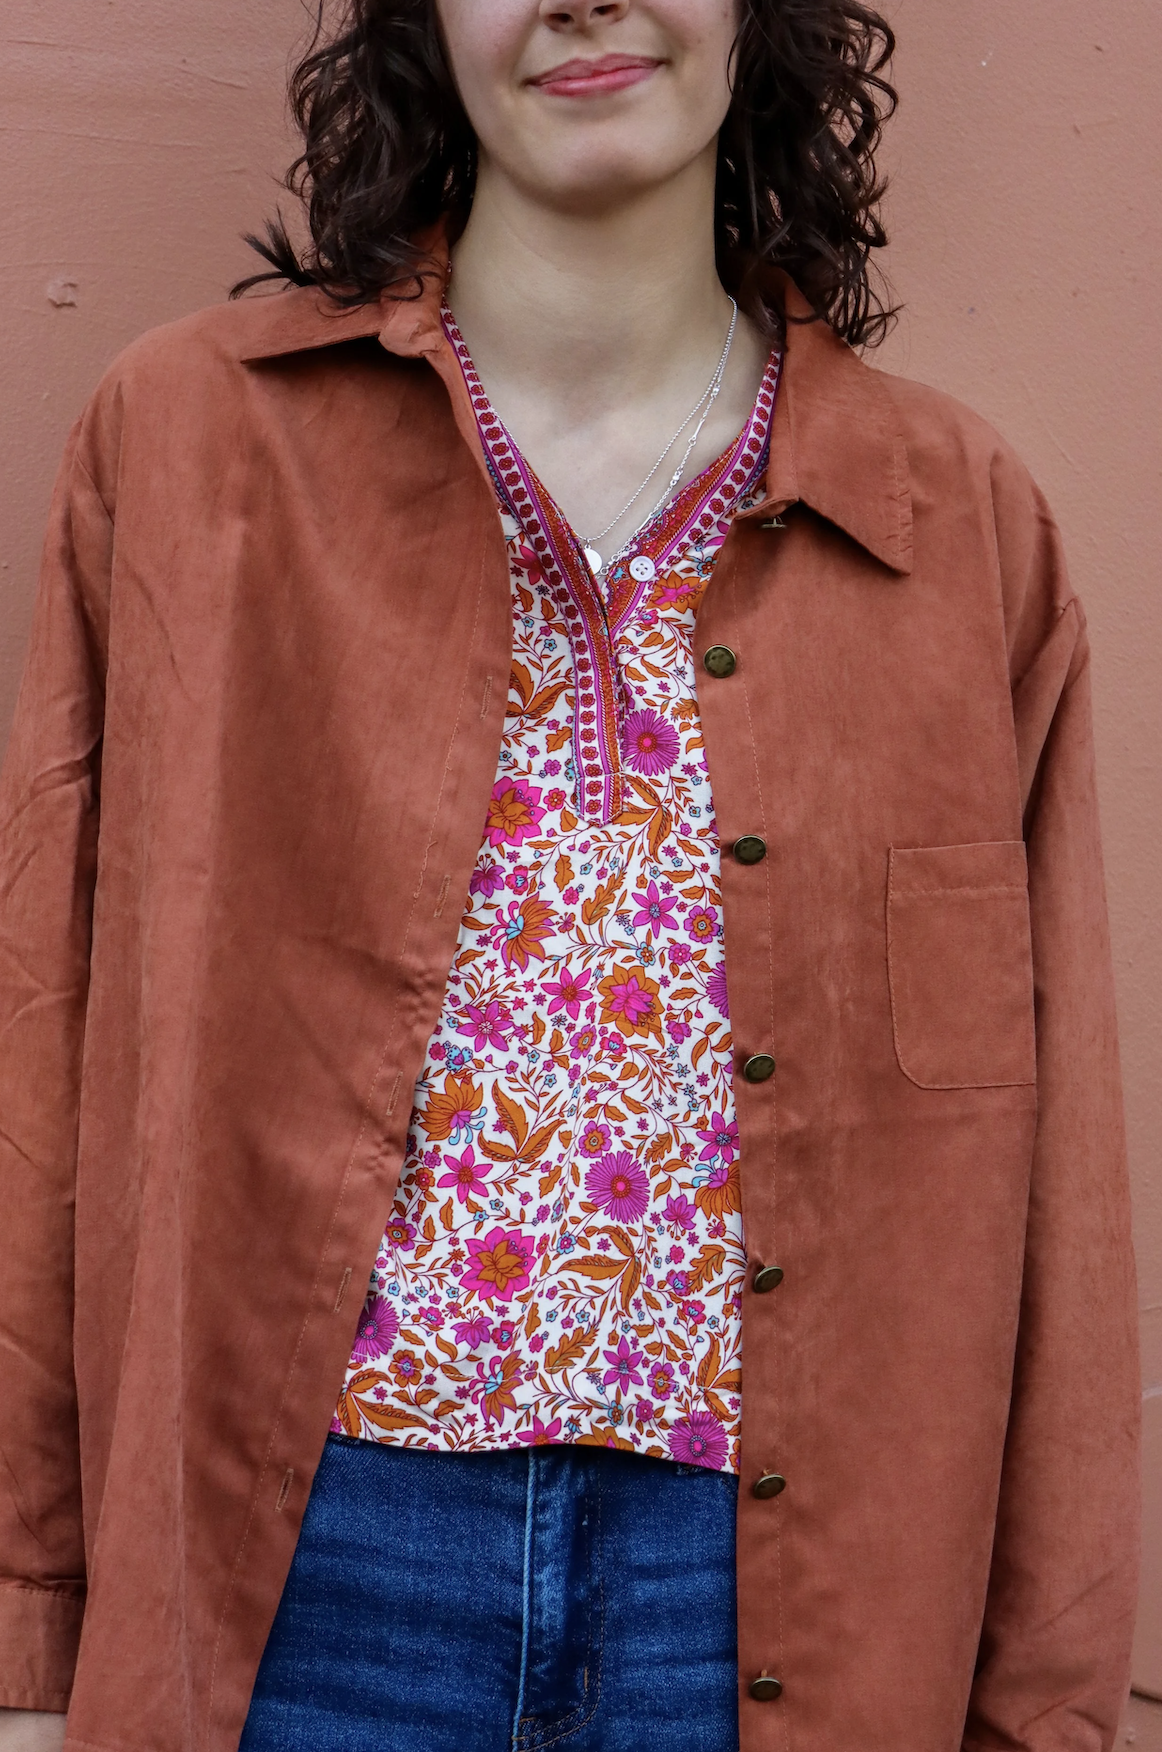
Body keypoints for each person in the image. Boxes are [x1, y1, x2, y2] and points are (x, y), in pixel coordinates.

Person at [0, 1, 1141, 1749]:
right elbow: (45, 1048)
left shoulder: (955, 522)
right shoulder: (192, 451)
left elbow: (1050, 1186)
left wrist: (1043, 1708)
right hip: (302, 1588)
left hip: (776, 1611)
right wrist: (29, 1641)